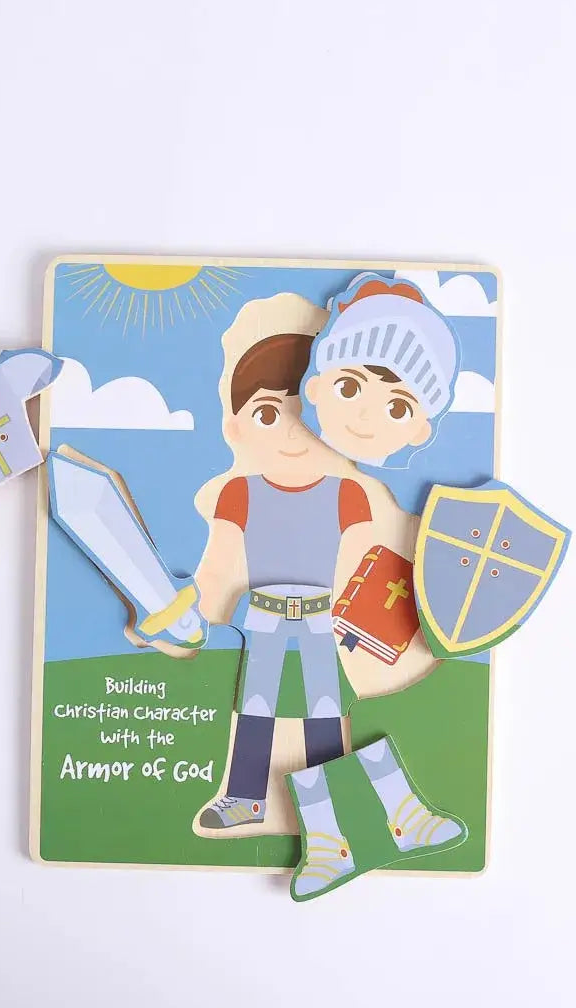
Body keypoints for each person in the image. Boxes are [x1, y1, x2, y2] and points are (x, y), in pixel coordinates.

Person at [195, 323, 373, 829]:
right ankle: (245, 797)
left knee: (325, 708)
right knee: (255, 705)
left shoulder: (348, 495)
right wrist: (197, 613)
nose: (293, 430)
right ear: (236, 425)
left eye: (308, 412)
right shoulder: (239, 493)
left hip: (320, 617)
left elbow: (364, 568)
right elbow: (216, 565)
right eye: (270, 414)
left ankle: (331, 803)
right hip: (263, 615)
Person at [302, 274, 461, 508]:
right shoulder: (295, 456)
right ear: (314, 387)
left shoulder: (396, 496)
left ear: (421, 431)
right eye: (348, 388)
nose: (365, 414)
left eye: (398, 409)